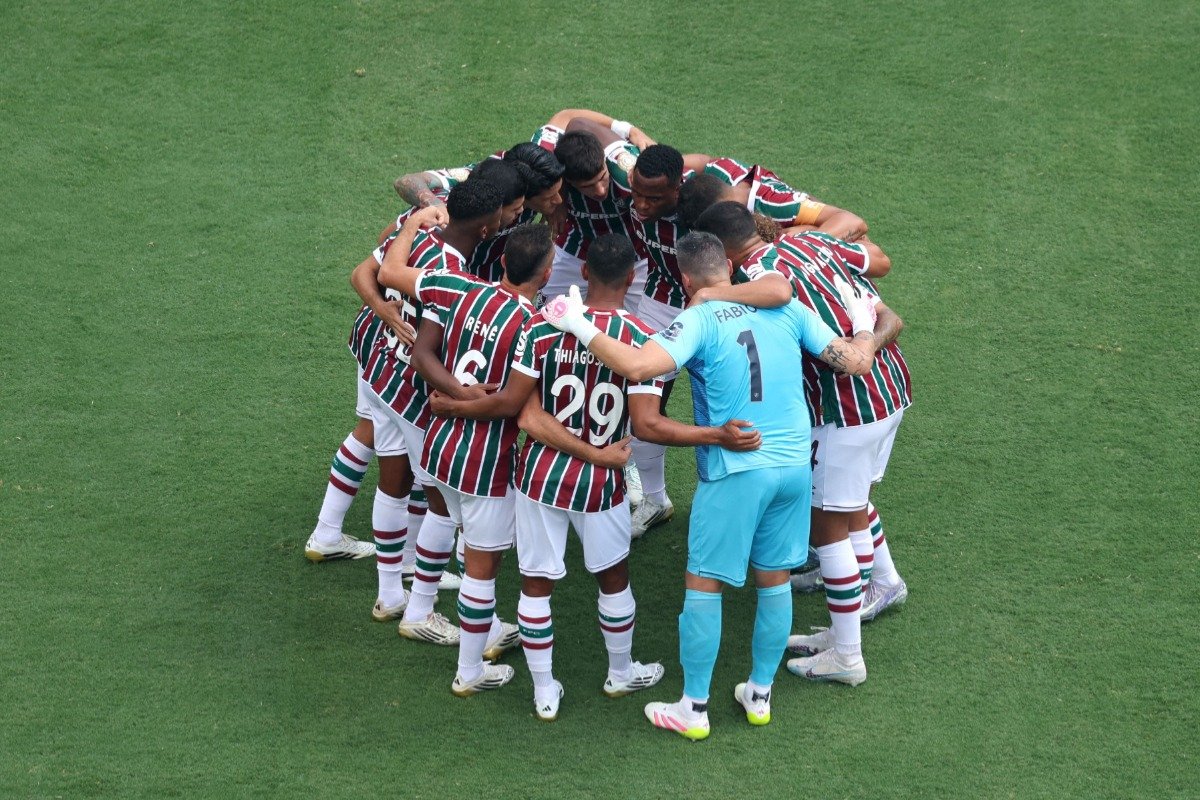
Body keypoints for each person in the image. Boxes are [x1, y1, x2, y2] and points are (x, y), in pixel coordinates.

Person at [538, 231, 883, 740]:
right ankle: (759, 696)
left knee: (704, 584)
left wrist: (576, 323)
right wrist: (869, 331)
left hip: (736, 468)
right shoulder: (785, 310)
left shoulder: (698, 319)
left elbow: (638, 365)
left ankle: (694, 708)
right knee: (775, 579)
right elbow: (856, 361)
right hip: (793, 469)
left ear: (683, 277)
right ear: (728, 266)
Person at [428, 234, 667, 720]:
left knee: (535, 585)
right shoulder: (644, 343)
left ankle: (544, 691)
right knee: (614, 579)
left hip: (538, 476)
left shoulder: (540, 328)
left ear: (583, 274)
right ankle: (621, 673)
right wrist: (599, 456)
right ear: (629, 279)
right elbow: (646, 423)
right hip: (600, 486)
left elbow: (526, 415)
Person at [692, 201, 910, 686]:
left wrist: (710, 294)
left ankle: (848, 654)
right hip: (891, 390)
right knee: (851, 501)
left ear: (723, 255)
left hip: (845, 408)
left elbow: (779, 292)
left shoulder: (753, 278)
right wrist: (868, 340)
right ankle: (881, 585)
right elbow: (882, 290)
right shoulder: (811, 239)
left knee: (825, 523)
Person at [394, 224, 555, 695]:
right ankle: (470, 671)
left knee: (445, 523)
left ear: (502, 260)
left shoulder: (457, 288)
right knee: (482, 568)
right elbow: (510, 405)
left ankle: (421, 608)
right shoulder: (537, 326)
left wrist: (448, 396)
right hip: (488, 464)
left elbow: (422, 350)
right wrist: (464, 399)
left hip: (439, 447)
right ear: (545, 276)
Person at [355, 181, 503, 628]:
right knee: (446, 505)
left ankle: (390, 594)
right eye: (500, 216)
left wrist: (416, 220)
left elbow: (375, 274)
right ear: (483, 229)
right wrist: (465, 395)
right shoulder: (453, 278)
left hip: (383, 375)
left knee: (393, 483)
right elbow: (433, 349)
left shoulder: (415, 229)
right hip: (418, 394)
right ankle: (425, 612)